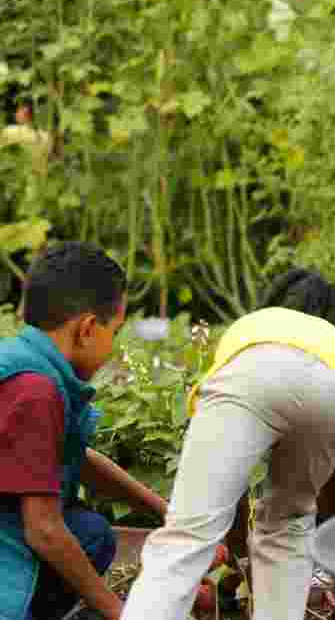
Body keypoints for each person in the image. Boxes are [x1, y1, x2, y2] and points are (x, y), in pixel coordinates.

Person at [122, 268, 335, 620]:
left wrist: (240, 552)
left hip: (250, 371)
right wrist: (301, 517)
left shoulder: (257, 325)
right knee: (289, 529)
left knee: (188, 535)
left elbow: (230, 484)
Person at [0, 241, 168, 620]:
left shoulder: (25, 361)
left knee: (91, 533)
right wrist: (118, 611)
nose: (114, 346)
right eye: (116, 331)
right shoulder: (34, 390)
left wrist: (162, 511)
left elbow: (78, 458)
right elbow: (43, 530)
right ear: (88, 328)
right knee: (70, 534)